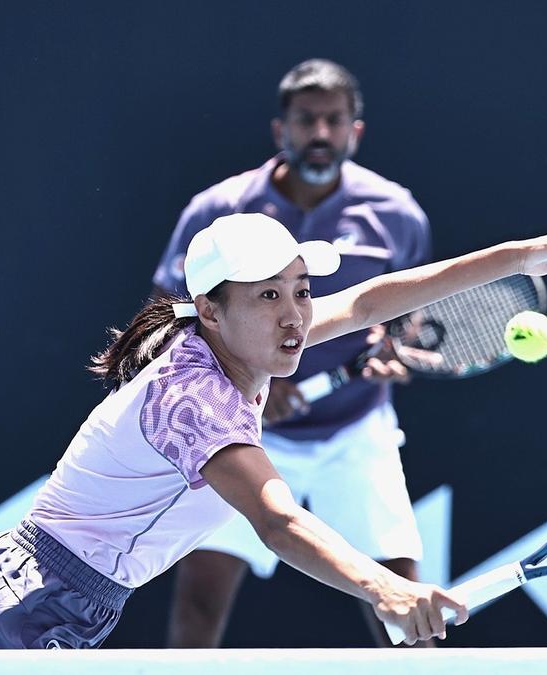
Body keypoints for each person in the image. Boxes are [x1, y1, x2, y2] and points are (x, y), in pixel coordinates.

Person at [0, 191, 547, 650]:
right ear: (211, 310)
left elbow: (374, 300)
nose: (295, 314)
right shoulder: (195, 399)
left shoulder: (243, 340)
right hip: (15, 612)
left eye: (303, 291)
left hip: (58, 602)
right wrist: (387, 588)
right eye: (269, 296)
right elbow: (277, 521)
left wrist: (528, 256)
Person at [153, 58, 437, 647]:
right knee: (200, 600)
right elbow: (169, 321)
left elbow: (405, 319)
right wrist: (246, 383)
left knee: (403, 609)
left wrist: (393, 351)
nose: (321, 134)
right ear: (281, 129)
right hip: (242, 430)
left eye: (335, 121)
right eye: (307, 120)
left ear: (355, 132)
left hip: (356, 430)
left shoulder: (397, 215)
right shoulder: (217, 210)